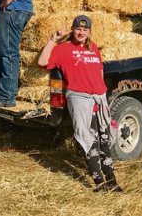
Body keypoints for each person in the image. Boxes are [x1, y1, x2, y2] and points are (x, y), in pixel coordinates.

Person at [38, 15, 123, 192]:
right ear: (72, 30)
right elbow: (42, 62)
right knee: (89, 140)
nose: (81, 32)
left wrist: (101, 92)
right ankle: (99, 182)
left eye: (85, 29)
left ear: (89, 32)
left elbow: (99, 72)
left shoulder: (93, 49)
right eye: (78, 29)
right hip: (79, 98)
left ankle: (112, 180)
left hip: (99, 98)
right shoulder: (63, 49)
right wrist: (53, 39)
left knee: (105, 139)